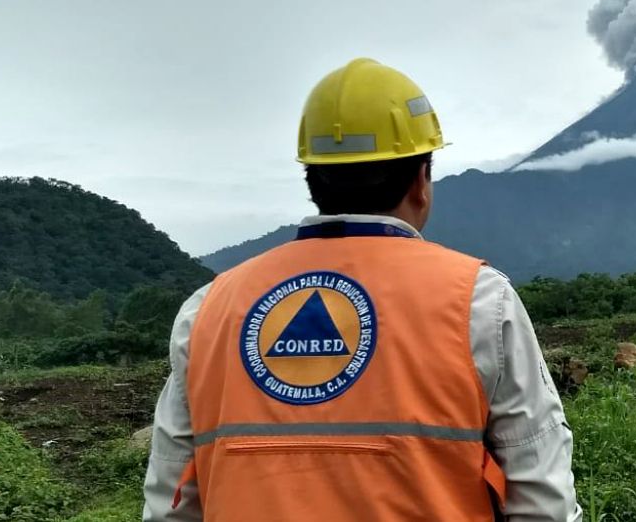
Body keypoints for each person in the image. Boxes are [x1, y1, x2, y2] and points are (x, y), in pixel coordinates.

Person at [142, 58, 582, 521]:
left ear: (312, 179)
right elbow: (542, 498)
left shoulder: (209, 309)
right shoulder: (477, 300)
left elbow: (170, 502)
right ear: (421, 179)